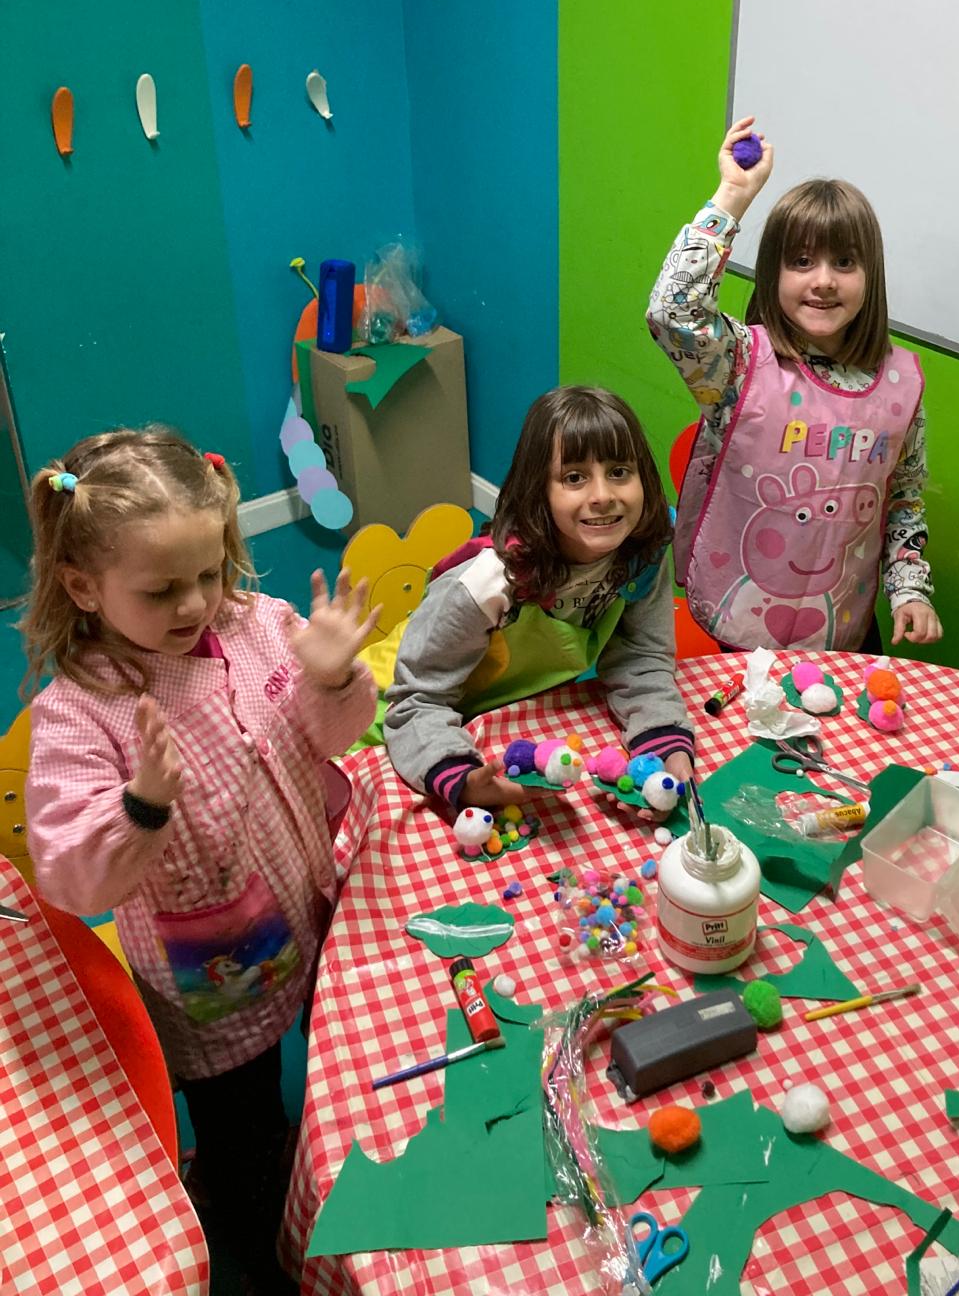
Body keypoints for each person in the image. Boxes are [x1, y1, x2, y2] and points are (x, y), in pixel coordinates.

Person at [22, 427, 378, 1294]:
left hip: (309, 902)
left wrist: (332, 679)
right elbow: (68, 874)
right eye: (161, 590)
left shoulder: (260, 626)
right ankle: (256, 1239)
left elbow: (330, 738)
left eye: (209, 573)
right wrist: (139, 805)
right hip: (214, 974)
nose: (194, 605)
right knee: (243, 1124)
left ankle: (304, 1162)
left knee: (330, 1059)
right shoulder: (81, 710)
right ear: (83, 586)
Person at [648, 115, 942, 654]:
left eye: (844, 262)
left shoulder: (901, 384)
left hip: (846, 631)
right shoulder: (738, 364)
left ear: (870, 275)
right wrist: (733, 196)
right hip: (741, 626)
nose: (824, 280)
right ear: (773, 273)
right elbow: (672, 312)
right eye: (802, 261)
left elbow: (903, 498)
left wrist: (909, 590)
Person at [384, 385, 694, 811]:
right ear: (539, 491)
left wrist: (664, 741)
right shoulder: (489, 581)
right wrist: (460, 776)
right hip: (395, 718)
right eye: (574, 477)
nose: (603, 495)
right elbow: (415, 700)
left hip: (499, 715)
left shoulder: (641, 554)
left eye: (620, 471)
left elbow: (641, 656)